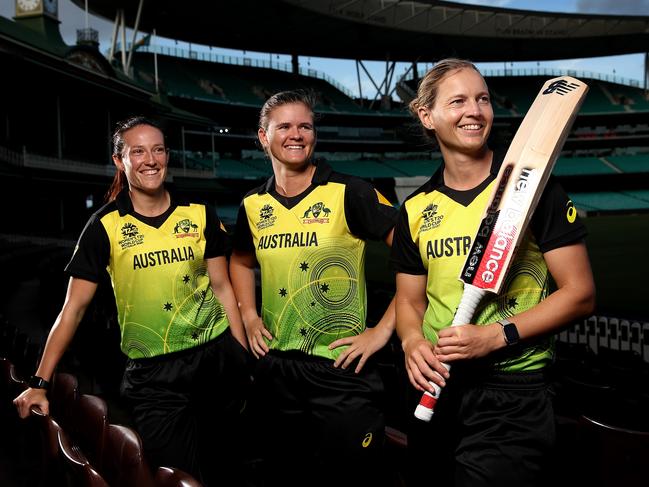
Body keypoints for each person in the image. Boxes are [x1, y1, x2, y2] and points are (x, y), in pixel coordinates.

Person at [390, 59, 596, 487]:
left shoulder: (538, 192)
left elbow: (580, 294)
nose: (475, 111)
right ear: (427, 116)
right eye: (459, 101)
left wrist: (496, 336)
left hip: (513, 393)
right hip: (437, 385)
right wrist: (412, 343)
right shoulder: (415, 209)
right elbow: (410, 301)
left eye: (482, 99)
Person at [14, 115, 251, 486]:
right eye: (137, 151)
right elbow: (72, 309)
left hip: (215, 360)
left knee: (230, 468)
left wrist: (238, 355)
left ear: (167, 156)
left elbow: (222, 287)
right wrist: (39, 382)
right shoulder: (103, 227)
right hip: (154, 377)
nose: (150, 159)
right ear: (119, 161)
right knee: (177, 477)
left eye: (158, 150)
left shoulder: (200, 214)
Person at [229, 90, 398, 486]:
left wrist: (383, 330)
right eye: (284, 126)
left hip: (340, 368)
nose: (296, 134)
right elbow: (239, 260)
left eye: (305, 126)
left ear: (314, 136)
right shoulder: (252, 205)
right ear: (262, 136)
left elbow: (416, 258)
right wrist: (250, 316)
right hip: (276, 372)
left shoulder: (349, 192)